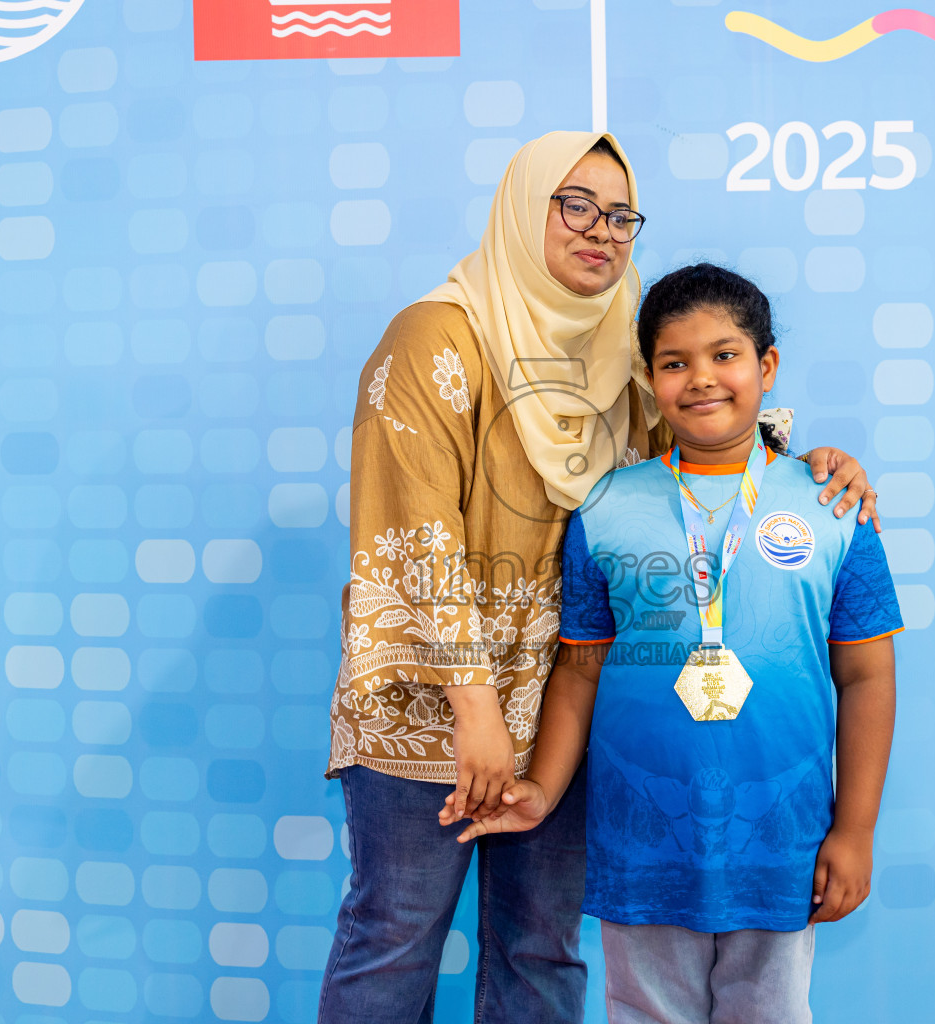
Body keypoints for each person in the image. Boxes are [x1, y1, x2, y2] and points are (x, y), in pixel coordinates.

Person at [319, 134, 881, 1024]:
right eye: (572, 204)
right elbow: (410, 530)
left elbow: (693, 443)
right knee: (396, 930)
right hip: (431, 708)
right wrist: (476, 710)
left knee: (542, 942)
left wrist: (806, 463)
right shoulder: (437, 337)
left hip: (568, 709)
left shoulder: (620, 345)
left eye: (620, 214)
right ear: (522, 208)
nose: (601, 231)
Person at [448, 263, 903, 1024]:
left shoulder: (833, 505)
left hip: (782, 839)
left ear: (767, 367)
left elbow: (866, 676)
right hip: (642, 841)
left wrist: (854, 831)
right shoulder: (607, 508)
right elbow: (581, 668)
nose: (702, 379)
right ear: (650, 377)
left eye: (725, 355)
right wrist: (546, 789)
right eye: (674, 362)